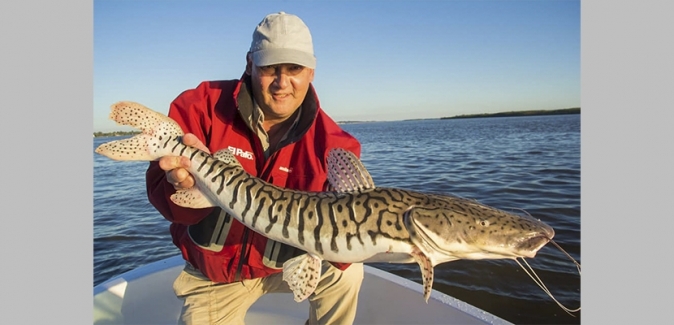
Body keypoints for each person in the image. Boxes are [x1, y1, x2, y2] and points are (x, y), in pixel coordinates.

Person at [145, 11, 364, 325]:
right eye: (270, 68)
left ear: (311, 72)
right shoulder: (201, 107)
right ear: (249, 64)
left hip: (287, 262)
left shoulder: (335, 146)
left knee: (349, 274)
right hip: (215, 278)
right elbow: (166, 200)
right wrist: (178, 187)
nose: (281, 83)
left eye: (294, 69)